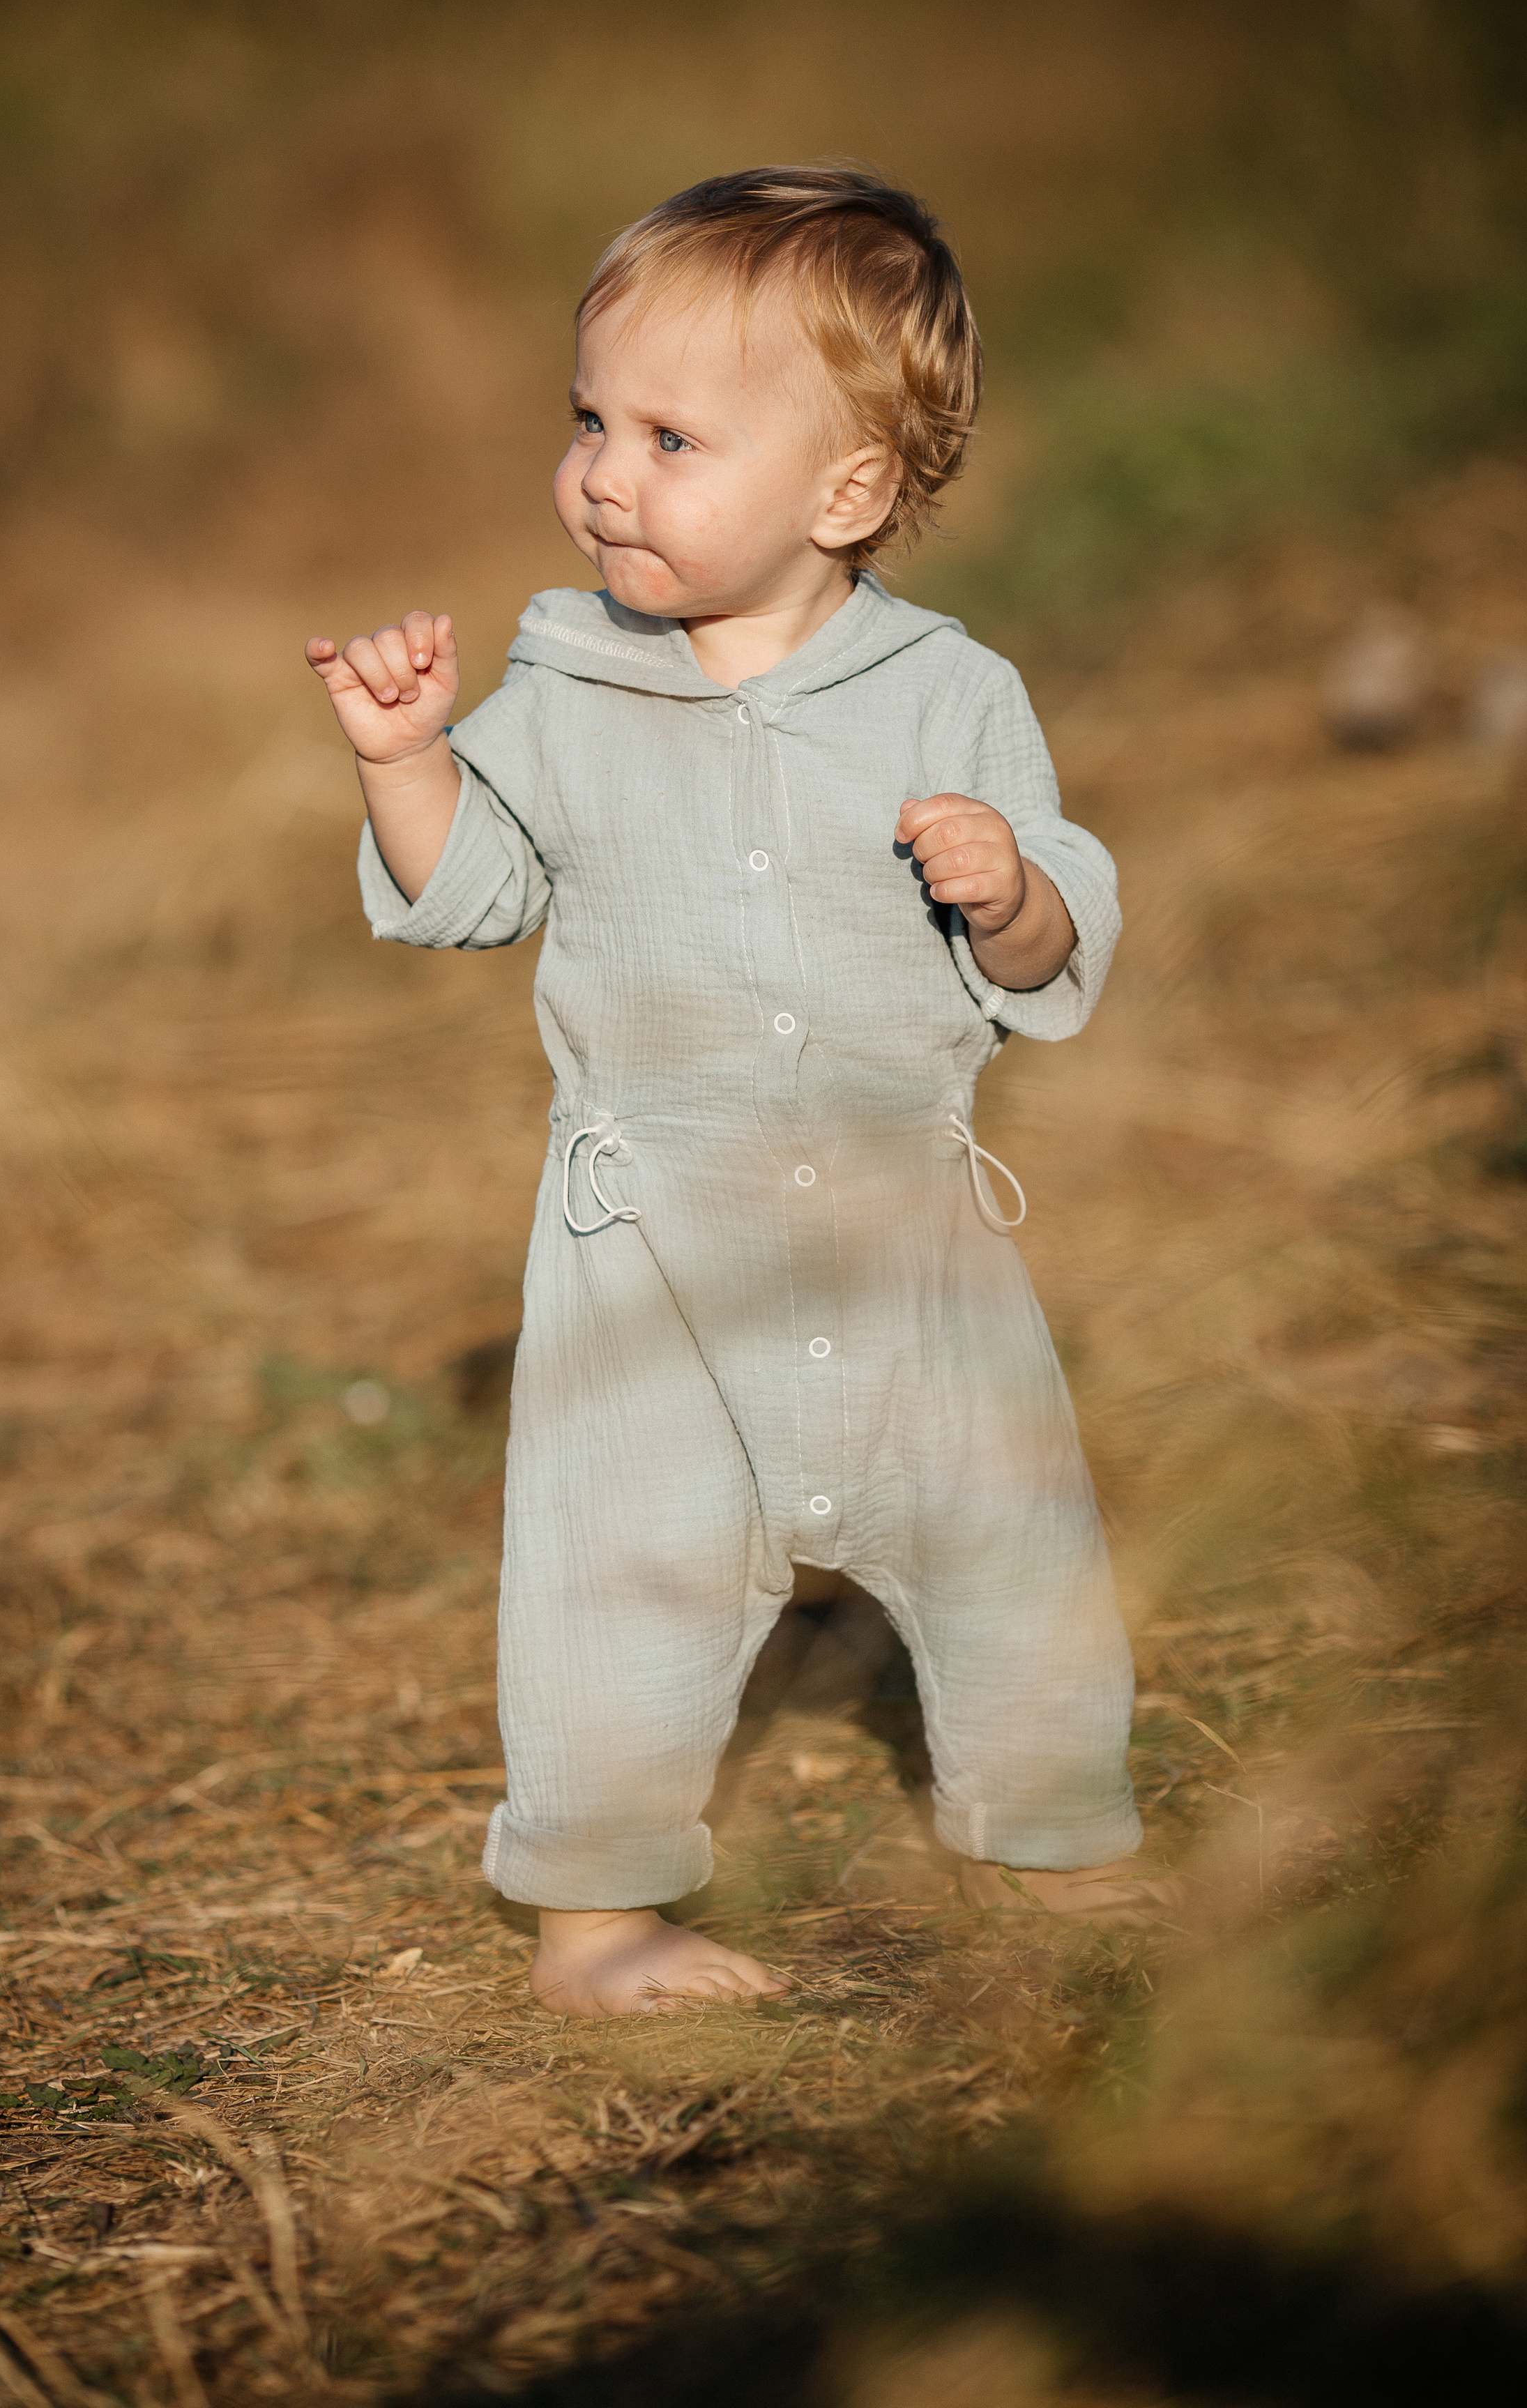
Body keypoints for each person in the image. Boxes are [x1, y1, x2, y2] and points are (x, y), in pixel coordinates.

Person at [307, 165, 1176, 2018]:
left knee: (1011, 1542)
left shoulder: (950, 696)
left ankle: (1049, 1831)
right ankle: (598, 1919)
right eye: (589, 420)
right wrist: (405, 764)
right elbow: (476, 894)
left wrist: (1009, 891)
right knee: (616, 1577)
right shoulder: (561, 683)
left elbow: (1046, 960)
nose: (606, 472)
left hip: (903, 1222)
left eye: (672, 436)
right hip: (649, 1240)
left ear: (845, 492)